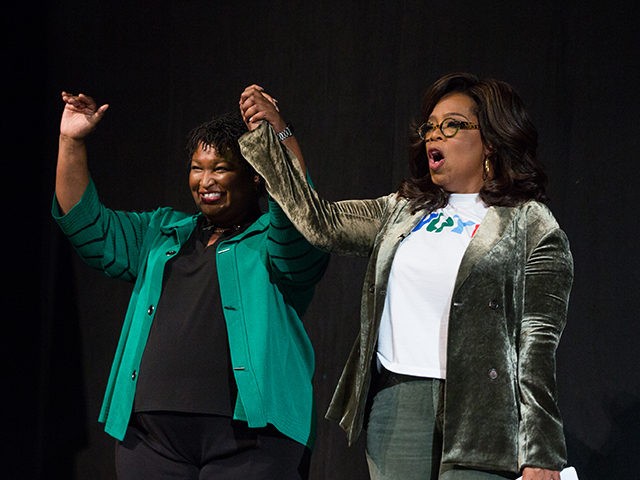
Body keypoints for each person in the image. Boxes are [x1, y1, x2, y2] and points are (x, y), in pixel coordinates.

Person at [238, 73, 573, 480]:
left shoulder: (530, 224)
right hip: (398, 403)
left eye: (452, 125)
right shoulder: (404, 210)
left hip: (484, 414)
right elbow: (320, 222)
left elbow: (536, 345)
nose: (435, 135)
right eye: (430, 126)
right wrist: (279, 135)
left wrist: (541, 452)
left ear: (491, 139)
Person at [52, 91, 329, 479]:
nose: (206, 181)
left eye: (221, 168)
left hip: (251, 439)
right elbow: (89, 226)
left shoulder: (274, 239)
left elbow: (301, 212)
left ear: (255, 176)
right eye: (197, 168)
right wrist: (71, 141)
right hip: (151, 439)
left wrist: (280, 135)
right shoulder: (162, 232)